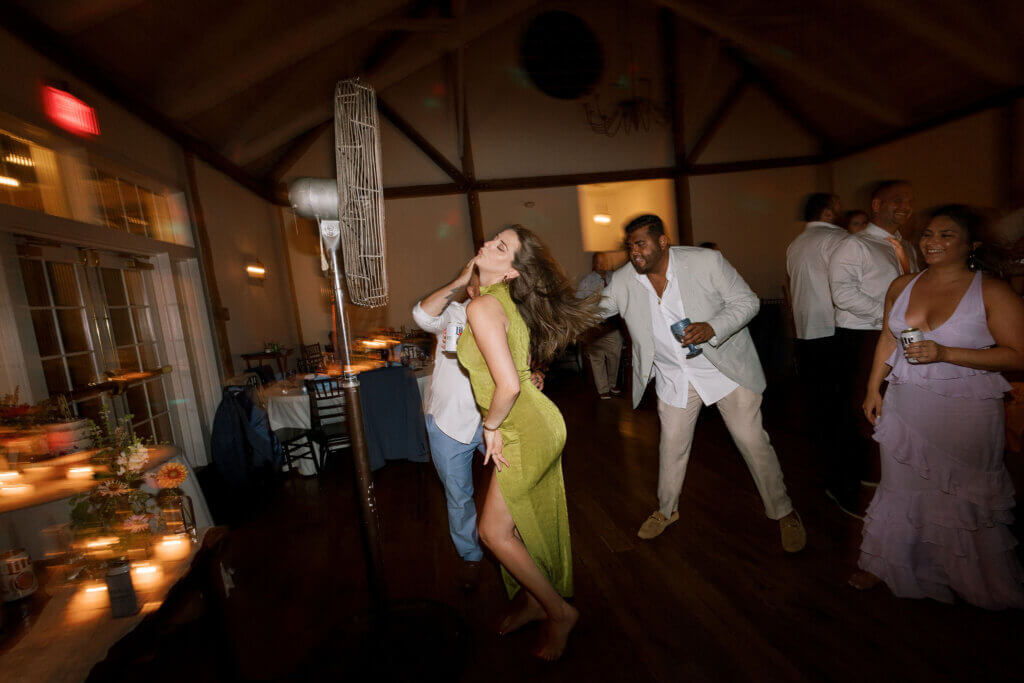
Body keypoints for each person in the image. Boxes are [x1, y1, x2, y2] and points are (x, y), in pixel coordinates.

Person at [598, 214, 806, 552]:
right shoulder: (624, 279)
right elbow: (598, 309)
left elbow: (747, 301)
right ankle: (666, 511)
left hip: (723, 370)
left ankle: (783, 510)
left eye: (640, 243)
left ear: (662, 241)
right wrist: (557, 310)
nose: (634, 251)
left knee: (752, 441)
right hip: (674, 378)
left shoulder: (706, 261)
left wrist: (713, 327)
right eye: (630, 245)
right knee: (671, 447)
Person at [852, 205, 1024, 609]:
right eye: (928, 234)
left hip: (967, 409)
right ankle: (890, 563)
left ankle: (971, 574)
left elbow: (1018, 355)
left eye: (946, 235)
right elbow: (888, 340)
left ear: (972, 245)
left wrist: (946, 351)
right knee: (902, 487)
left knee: (962, 492)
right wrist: (872, 389)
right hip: (907, 405)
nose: (932, 242)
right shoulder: (902, 284)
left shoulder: (992, 290)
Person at [457, 225, 598, 661]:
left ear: (515, 271)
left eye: (500, 247)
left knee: (492, 532)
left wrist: (491, 427)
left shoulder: (483, 307)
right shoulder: (495, 302)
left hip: (523, 426)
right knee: (516, 524)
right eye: (491, 239)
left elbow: (508, 386)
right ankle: (538, 602)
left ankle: (559, 612)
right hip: (533, 421)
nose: (486, 245)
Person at [827, 180, 918, 517]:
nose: (905, 206)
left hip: (899, 335)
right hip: (861, 338)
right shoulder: (854, 246)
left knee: (898, 405)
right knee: (862, 411)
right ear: (876, 205)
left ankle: (881, 476)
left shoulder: (907, 246)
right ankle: (848, 486)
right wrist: (890, 315)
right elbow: (844, 296)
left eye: (909, 201)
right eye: (897, 200)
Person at [412, 259, 485, 589]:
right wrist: (458, 280)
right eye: (486, 282)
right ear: (472, 288)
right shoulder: (454, 315)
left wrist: (536, 373)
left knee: (516, 486)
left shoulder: (511, 317)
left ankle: (513, 545)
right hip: (448, 421)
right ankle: (470, 555)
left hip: (497, 419)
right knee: (459, 496)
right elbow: (423, 316)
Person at [786, 194, 849, 498]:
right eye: (839, 207)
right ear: (828, 212)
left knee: (820, 403)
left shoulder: (796, 244)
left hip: (805, 331)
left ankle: (823, 468)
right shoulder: (837, 240)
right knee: (840, 405)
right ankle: (841, 476)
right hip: (833, 328)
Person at [576, 253, 624, 399]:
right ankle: (603, 389)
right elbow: (578, 303)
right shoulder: (587, 282)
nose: (602, 265)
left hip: (613, 325)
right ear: (594, 264)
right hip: (594, 325)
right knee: (597, 357)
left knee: (615, 354)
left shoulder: (615, 277)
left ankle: (612, 383)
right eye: (599, 262)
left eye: (605, 262)